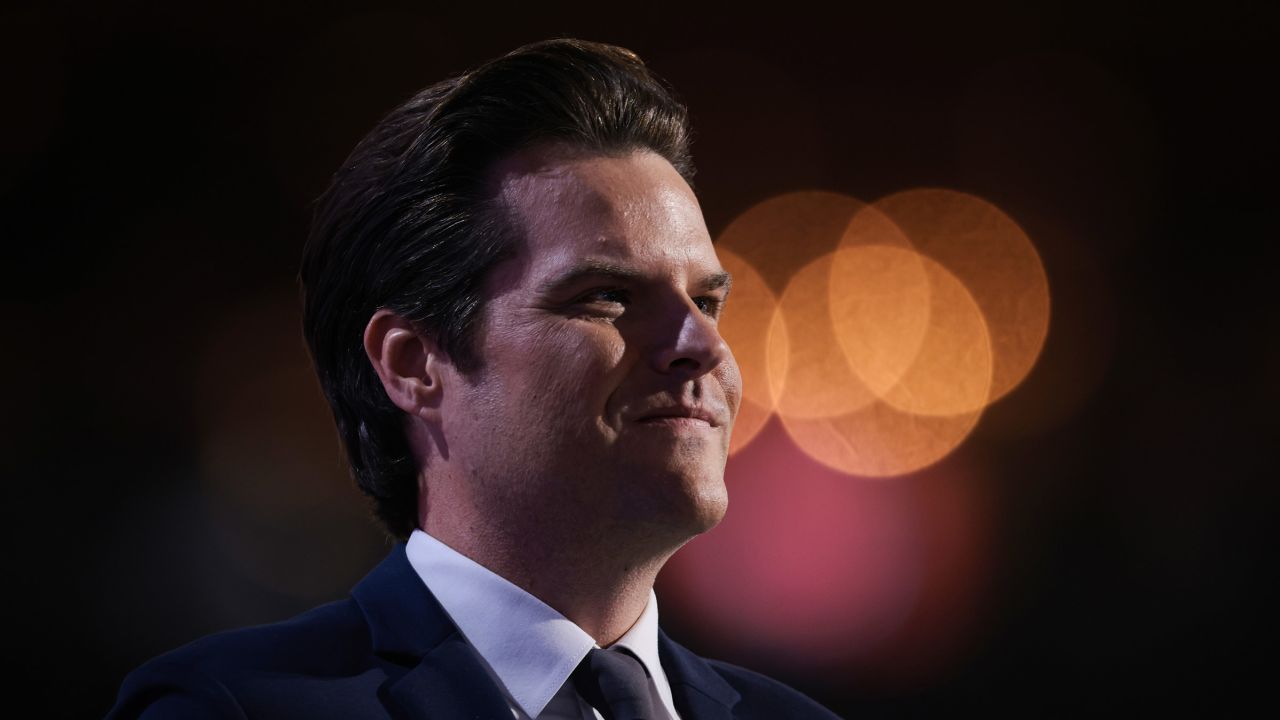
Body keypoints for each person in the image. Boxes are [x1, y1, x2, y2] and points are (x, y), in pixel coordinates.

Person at [107, 38, 842, 720]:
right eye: (607, 297)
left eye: (707, 301)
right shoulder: (233, 708)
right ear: (413, 364)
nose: (703, 345)